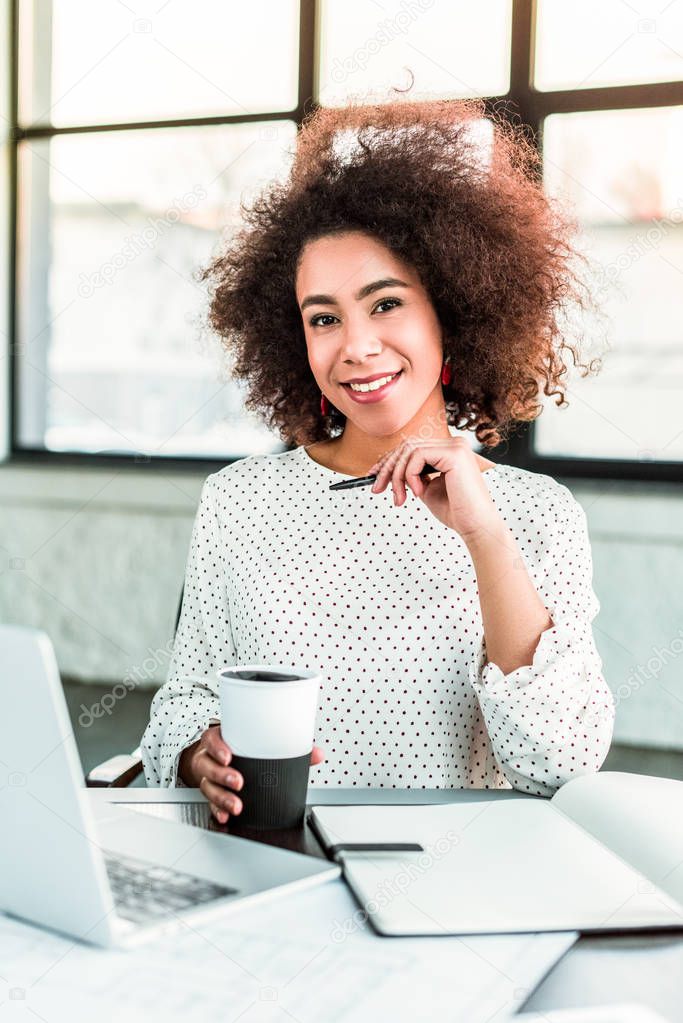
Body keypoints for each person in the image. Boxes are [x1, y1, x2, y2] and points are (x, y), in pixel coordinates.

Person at [140, 97, 615, 824]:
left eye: (385, 304)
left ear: (450, 315)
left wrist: (484, 535)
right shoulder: (236, 500)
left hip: (454, 884)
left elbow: (558, 762)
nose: (356, 346)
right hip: (274, 861)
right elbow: (182, 705)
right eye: (323, 318)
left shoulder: (536, 513)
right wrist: (192, 752)